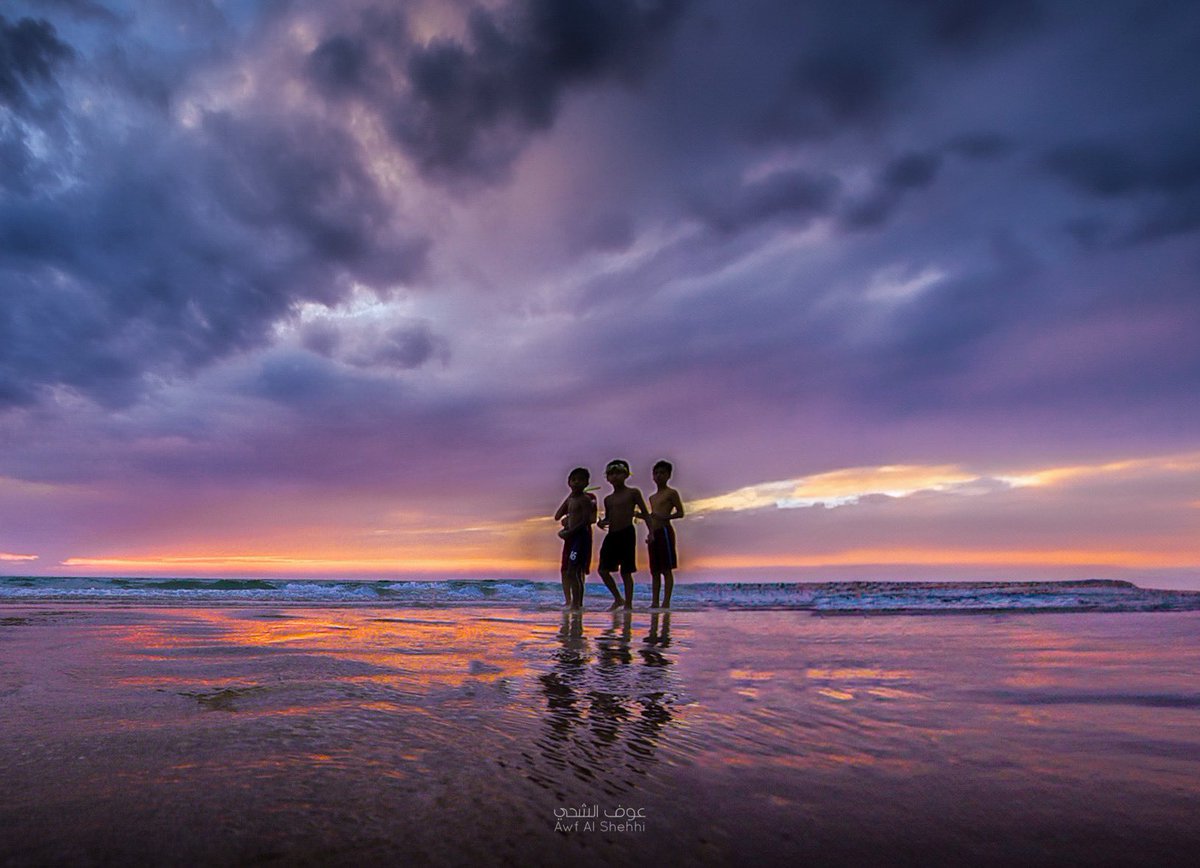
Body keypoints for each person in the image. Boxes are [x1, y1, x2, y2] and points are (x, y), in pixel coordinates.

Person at [596, 459, 649, 610]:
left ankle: (629, 605)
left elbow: (645, 513)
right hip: (612, 535)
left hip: (627, 533)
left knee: (626, 572)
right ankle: (618, 598)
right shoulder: (608, 499)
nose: (614, 477)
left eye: (618, 473)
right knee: (603, 570)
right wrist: (602, 523)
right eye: (611, 474)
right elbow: (608, 517)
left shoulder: (633, 493)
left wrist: (651, 532)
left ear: (625, 474)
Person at [554, 467, 596, 609]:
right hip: (571, 539)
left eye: (580, 480)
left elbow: (586, 520)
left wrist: (569, 532)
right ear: (569, 482)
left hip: (580, 538)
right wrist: (568, 502)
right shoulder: (571, 499)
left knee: (575, 570)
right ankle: (570, 602)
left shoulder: (586, 499)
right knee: (567, 569)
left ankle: (577, 603)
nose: (576, 483)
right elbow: (557, 516)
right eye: (573, 480)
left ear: (586, 483)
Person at [646, 460, 685, 609]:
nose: (659, 476)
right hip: (654, 533)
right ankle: (655, 602)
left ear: (669, 475)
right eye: (656, 473)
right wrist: (650, 533)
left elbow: (680, 513)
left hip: (665, 531)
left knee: (666, 569)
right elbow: (652, 517)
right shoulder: (652, 497)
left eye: (662, 473)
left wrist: (665, 517)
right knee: (654, 570)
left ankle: (666, 602)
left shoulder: (671, 493)